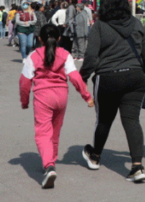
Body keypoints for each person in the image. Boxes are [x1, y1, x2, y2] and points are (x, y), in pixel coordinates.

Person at [78, 0, 145, 183]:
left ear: (105, 5)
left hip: (108, 78)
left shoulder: (99, 26)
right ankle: (137, 167)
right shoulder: (136, 24)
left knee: (104, 120)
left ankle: (95, 156)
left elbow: (91, 57)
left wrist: (82, 77)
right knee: (132, 121)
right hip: (136, 77)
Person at [20, 24, 94, 189]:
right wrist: (87, 96)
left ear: (40, 39)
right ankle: (51, 159)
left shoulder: (34, 56)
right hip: (61, 97)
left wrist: (24, 101)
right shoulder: (65, 54)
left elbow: (24, 82)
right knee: (55, 131)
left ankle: (49, 165)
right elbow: (74, 76)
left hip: (43, 98)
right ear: (59, 38)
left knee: (43, 133)